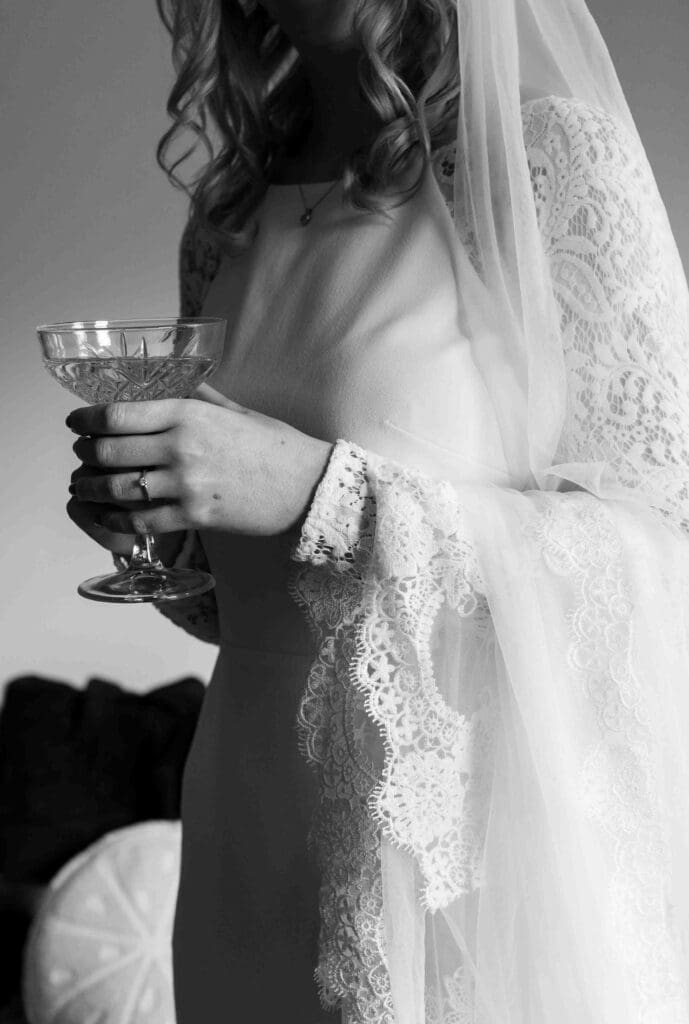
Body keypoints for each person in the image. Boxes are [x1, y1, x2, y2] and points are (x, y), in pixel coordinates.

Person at [64, 0, 689, 1021]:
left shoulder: (541, 163)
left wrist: (325, 494)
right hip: (246, 817)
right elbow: (260, 599)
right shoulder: (225, 218)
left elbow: (656, 541)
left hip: (446, 855)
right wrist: (169, 527)